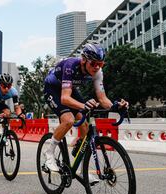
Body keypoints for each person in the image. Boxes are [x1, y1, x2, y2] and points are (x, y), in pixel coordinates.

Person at [43, 43, 128, 180]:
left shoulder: (98, 72)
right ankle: (49, 153)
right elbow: (65, 99)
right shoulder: (71, 66)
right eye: (93, 63)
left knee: (85, 126)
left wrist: (115, 106)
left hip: (69, 90)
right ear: (84, 60)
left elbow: (102, 98)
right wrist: (84, 105)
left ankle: (82, 169)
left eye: (100, 64)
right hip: (53, 88)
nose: (97, 67)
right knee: (69, 120)